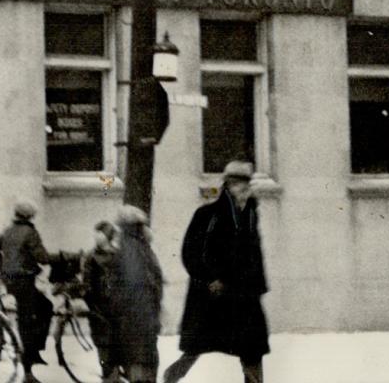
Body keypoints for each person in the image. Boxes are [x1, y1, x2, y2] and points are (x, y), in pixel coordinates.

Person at [162, 161, 270, 383]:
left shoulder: (250, 215)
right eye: (238, 183)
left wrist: (258, 286)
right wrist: (210, 279)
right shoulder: (207, 214)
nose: (243, 188)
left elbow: (253, 256)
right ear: (227, 184)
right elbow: (190, 253)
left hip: (245, 295)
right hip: (213, 295)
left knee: (252, 349)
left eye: (245, 183)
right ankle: (170, 378)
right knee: (196, 347)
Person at [0, 201, 53, 383]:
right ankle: (29, 367)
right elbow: (43, 257)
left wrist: (2, 266)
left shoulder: (8, 231)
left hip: (10, 282)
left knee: (34, 312)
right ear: (31, 216)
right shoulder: (30, 232)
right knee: (39, 312)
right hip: (24, 282)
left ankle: (33, 354)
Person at [107, 206, 161, 383]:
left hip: (132, 314)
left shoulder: (127, 247)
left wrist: (116, 306)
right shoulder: (143, 246)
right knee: (144, 358)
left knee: (136, 359)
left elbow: (131, 281)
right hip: (145, 313)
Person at [79, 220, 121, 383]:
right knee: (102, 343)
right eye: (95, 232)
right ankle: (108, 376)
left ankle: (115, 374)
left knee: (116, 342)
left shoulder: (118, 254)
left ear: (108, 236)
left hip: (117, 305)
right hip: (98, 306)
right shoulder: (90, 256)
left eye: (100, 233)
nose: (96, 236)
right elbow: (86, 282)